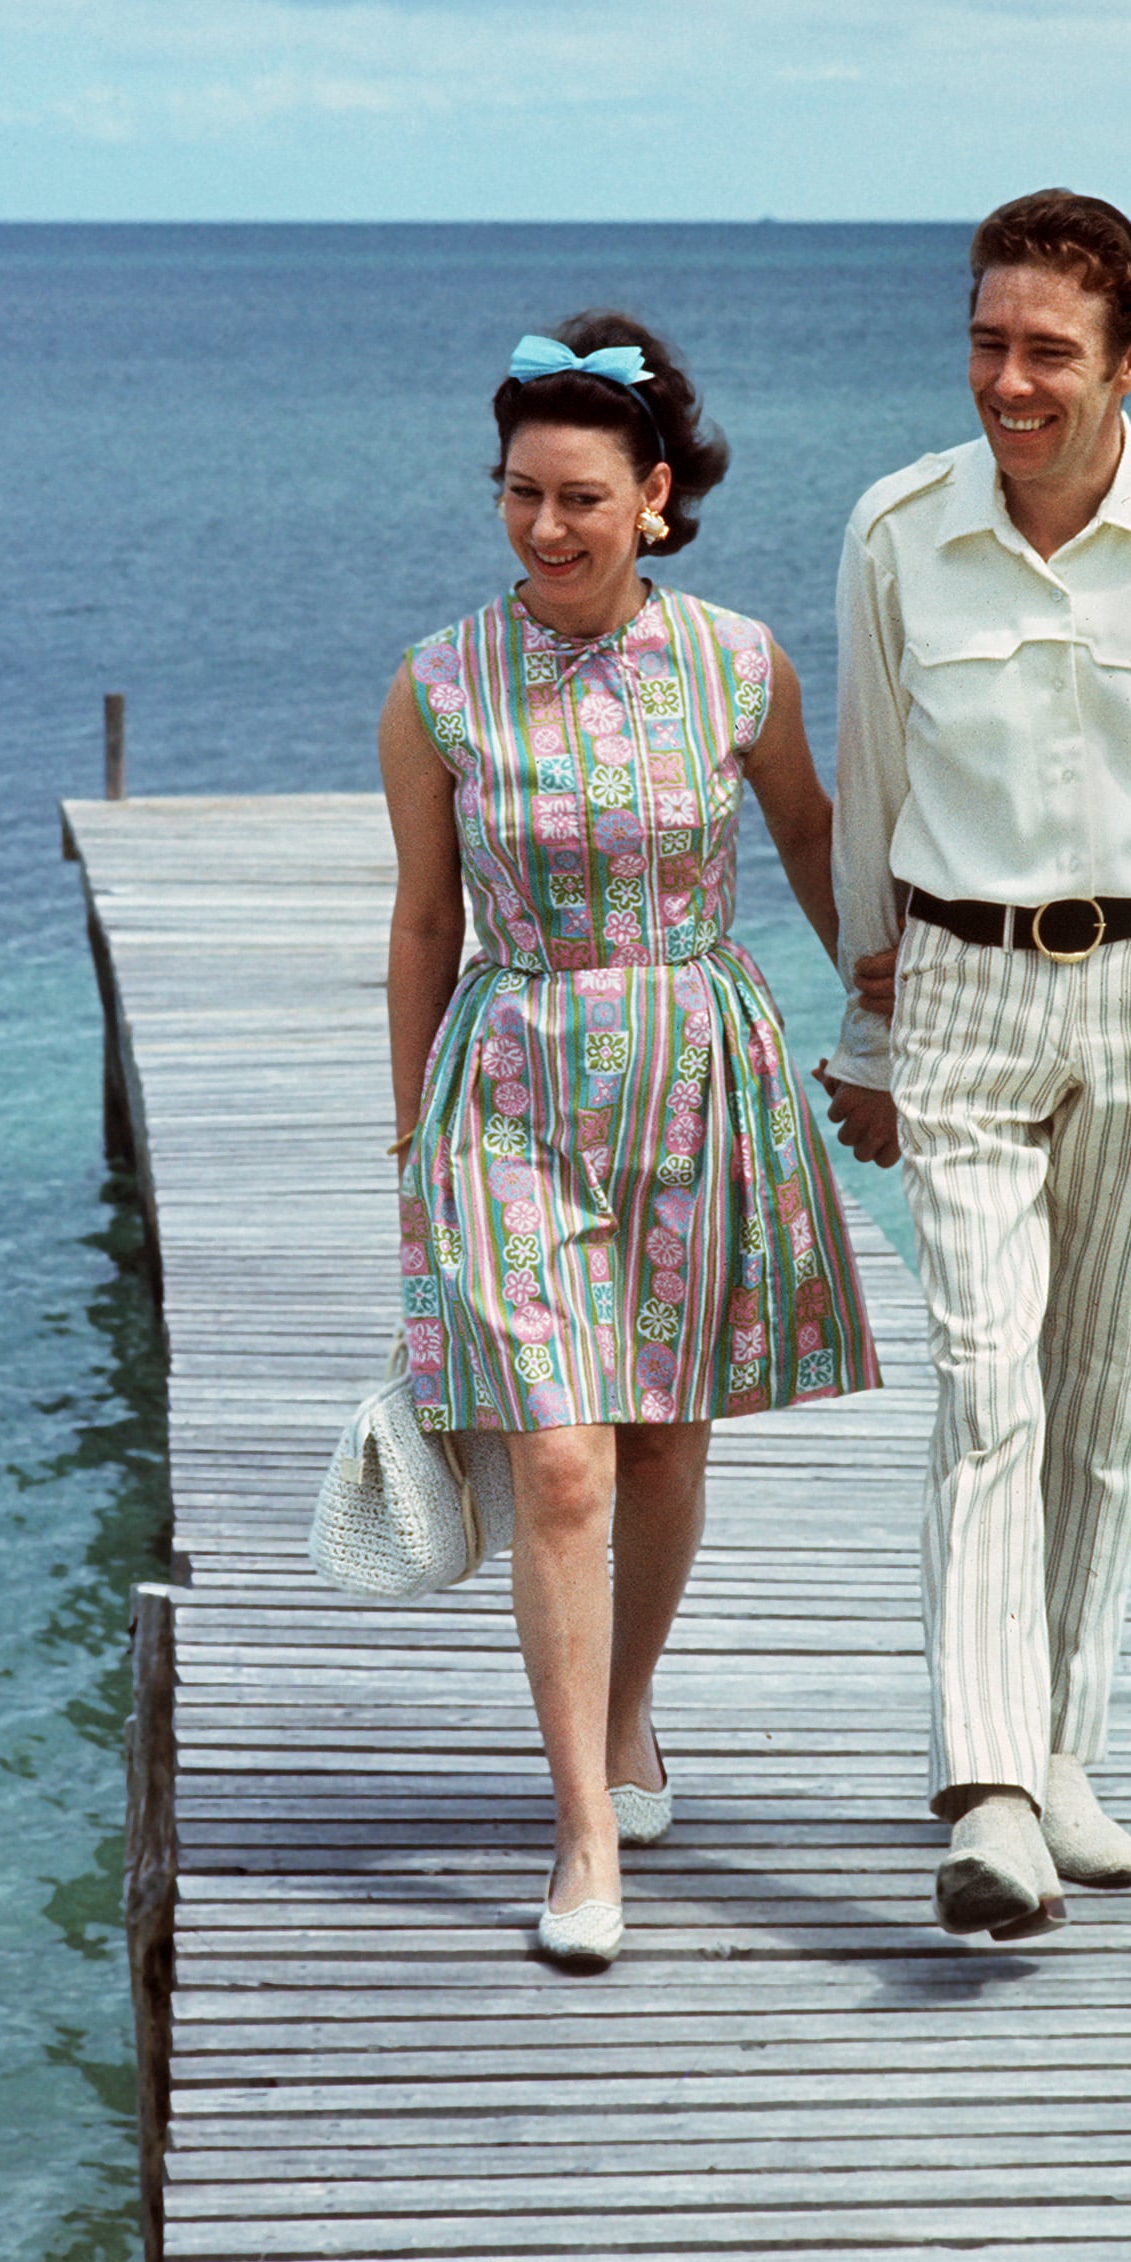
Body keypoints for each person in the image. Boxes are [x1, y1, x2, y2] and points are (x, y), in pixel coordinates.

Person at [381, 313, 880, 1969]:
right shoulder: (439, 683)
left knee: (667, 1440)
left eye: (582, 495)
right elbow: (423, 924)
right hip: (514, 1080)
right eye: (520, 491)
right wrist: (410, 1146)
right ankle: (581, 1833)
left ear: (657, 496)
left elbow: (811, 842)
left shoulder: (741, 664)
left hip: (696, 1074)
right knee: (566, 1456)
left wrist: (882, 1031)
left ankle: (629, 1708)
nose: (545, 527)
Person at [823, 190, 1131, 1941]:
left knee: (1110, 1398)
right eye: (986, 341)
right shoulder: (897, 534)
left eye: (1048, 352)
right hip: (959, 988)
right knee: (984, 1377)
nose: (1008, 381)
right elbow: (870, 795)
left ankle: (1070, 1750)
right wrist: (871, 1030)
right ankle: (989, 1787)